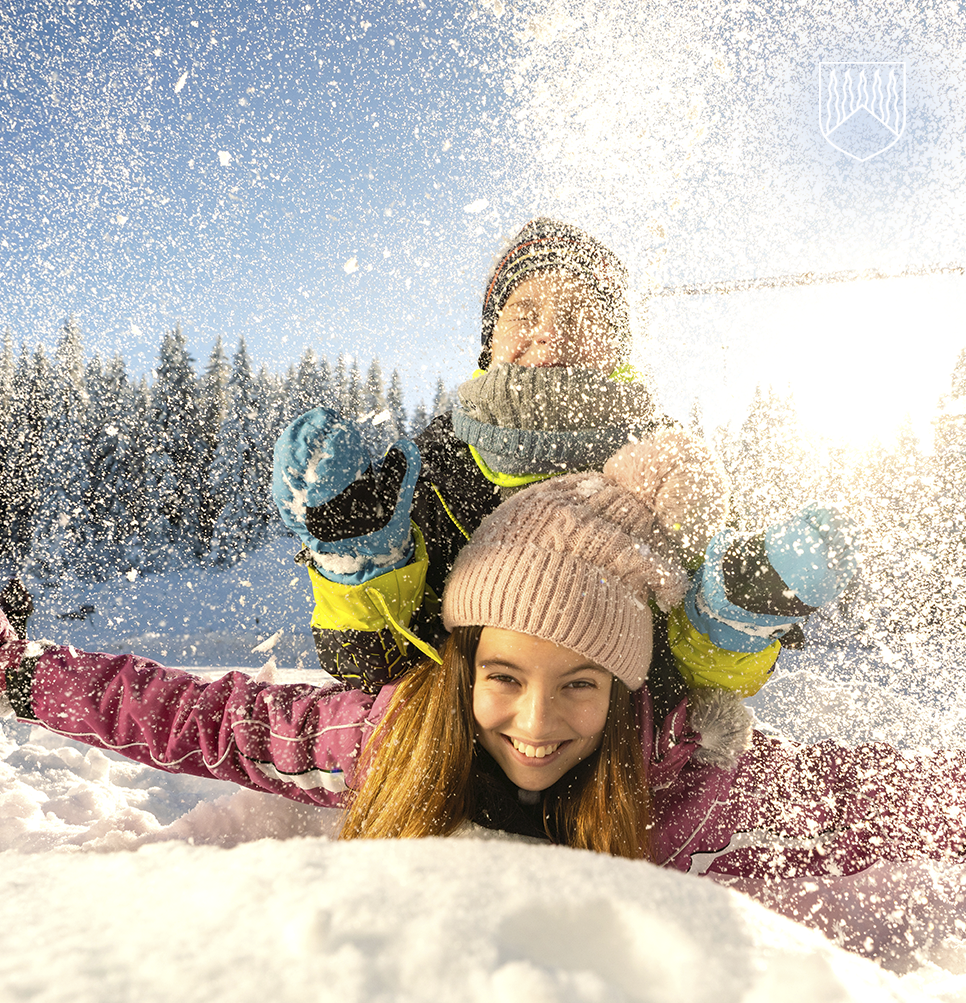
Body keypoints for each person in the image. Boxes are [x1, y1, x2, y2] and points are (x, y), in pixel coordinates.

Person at [0, 430, 964, 877]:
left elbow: (851, 800)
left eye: (581, 686)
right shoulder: (390, 733)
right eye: (505, 676)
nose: (534, 720)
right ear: (464, 665)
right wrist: (21, 678)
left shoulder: (681, 773)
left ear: (628, 688)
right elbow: (210, 720)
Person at [271, 218, 836, 714]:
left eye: (579, 314)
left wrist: (732, 619)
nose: (549, 332)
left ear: (616, 348)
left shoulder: (667, 471)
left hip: (618, 772)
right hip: (447, 751)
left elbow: (696, 694)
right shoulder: (431, 468)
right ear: (490, 338)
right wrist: (357, 558)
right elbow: (368, 664)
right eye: (526, 311)